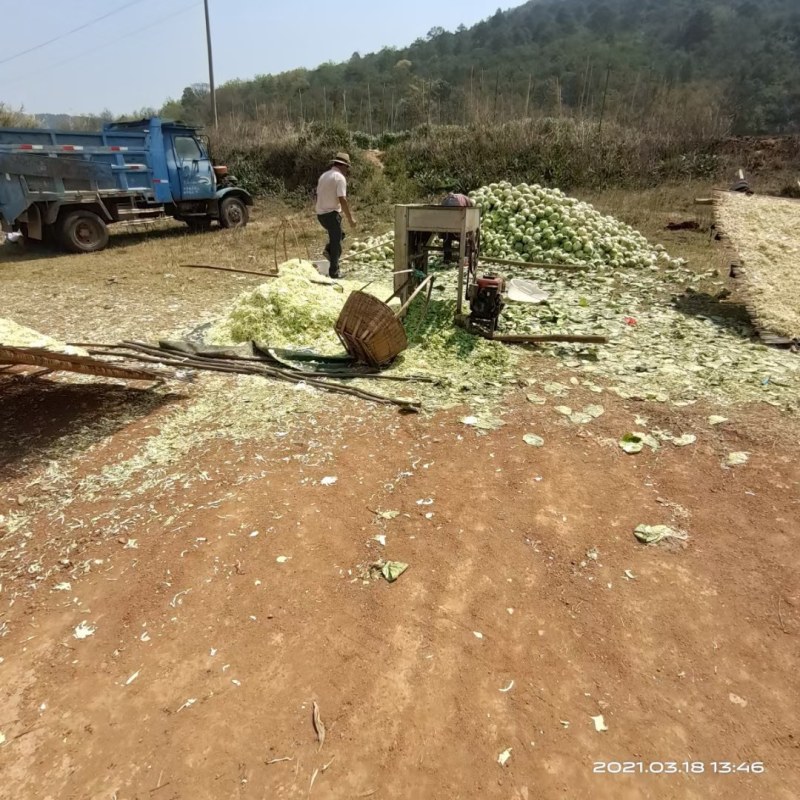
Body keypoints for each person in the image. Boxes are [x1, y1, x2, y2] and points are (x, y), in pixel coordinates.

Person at [315, 153, 356, 279]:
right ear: (344, 166)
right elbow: (342, 199)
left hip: (321, 214)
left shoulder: (324, 176)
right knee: (336, 242)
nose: (347, 170)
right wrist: (350, 219)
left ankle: (328, 251)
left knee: (339, 236)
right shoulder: (339, 178)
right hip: (331, 214)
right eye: (347, 168)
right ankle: (334, 272)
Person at [440, 192, 474, 264]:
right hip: (458, 222)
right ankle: (463, 258)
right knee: (464, 239)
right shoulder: (468, 201)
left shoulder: (448, 199)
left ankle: (447, 258)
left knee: (446, 238)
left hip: (446, 222)